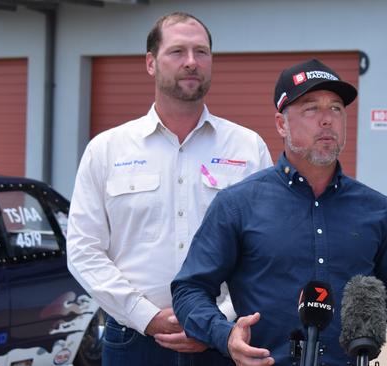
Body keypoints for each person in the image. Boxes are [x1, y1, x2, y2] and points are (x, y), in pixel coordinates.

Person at [171, 59, 387, 366]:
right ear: (281, 124)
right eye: (311, 108)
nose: (327, 120)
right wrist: (224, 334)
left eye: (336, 108)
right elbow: (190, 289)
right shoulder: (237, 205)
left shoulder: (377, 210)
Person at [66, 12, 272, 366]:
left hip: (224, 341)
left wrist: (214, 320)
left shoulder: (247, 148)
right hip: (133, 340)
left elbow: (266, 247)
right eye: (177, 52)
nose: (191, 62)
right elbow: (84, 250)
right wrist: (144, 314)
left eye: (201, 52)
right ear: (150, 63)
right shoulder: (107, 150)